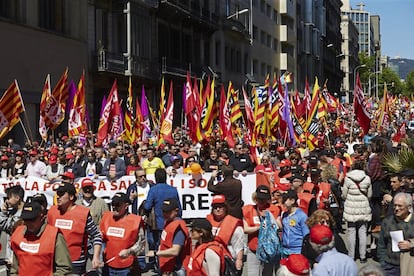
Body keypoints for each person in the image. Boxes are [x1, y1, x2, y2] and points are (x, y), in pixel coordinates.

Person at [47, 182, 103, 275]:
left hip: (75, 262)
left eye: (61, 194)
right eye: (57, 194)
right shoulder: (52, 211)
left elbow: (96, 235)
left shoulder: (83, 213)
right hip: (55, 261)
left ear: (71, 197)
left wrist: (96, 257)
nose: (58, 197)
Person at [10, 201, 72, 275]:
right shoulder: (18, 234)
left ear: (42, 217)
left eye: (32, 220)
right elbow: (15, 266)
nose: (29, 223)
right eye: (26, 220)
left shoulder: (54, 236)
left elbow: (64, 268)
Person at [100, 192, 145, 275]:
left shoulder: (135, 221)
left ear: (126, 206)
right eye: (112, 204)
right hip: (108, 264)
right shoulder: (106, 217)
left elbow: (141, 244)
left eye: (117, 205)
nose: (114, 207)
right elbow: (99, 237)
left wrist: (129, 251)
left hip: (127, 266)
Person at [146, 198, 191, 275]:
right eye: (164, 211)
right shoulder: (168, 222)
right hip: (167, 266)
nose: (165, 214)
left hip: (176, 269)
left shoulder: (178, 227)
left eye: (168, 212)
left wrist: (155, 253)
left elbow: (175, 251)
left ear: (176, 211)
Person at [243, 185, 281, 275]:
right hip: (254, 248)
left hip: (269, 249)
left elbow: (279, 226)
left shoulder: (274, 209)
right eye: (259, 199)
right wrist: (259, 227)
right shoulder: (248, 209)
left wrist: (270, 218)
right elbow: (246, 229)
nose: (261, 201)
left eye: (264, 199)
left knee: (268, 273)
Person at [143, 168, 181, 257]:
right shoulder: (173, 190)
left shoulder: (153, 190)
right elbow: (179, 208)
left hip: (158, 223)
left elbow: (147, 206)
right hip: (171, 223)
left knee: (158, 246)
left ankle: (158, 264)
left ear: (156, 178)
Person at [342, 160, 372, 263]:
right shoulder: (367, 178)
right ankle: (363, 256)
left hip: (351, 207)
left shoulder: (348, 178)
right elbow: (369, 195)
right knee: (363, 232)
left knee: (351, 232)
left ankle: (351, 255)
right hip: (363, 207)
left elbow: (344, 194)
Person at [377, 192, 414, 276]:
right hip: (390, 266)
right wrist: (383, 262)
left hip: (410, 266)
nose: (396, 208)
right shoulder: (387, 222)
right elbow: (381, 244)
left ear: (409, 207)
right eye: (395, 205)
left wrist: (411, 244)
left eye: (400, 206)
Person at [206, 194, 244, 272]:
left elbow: (239, 245)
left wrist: (239, 260)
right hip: (209, 259)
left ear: (226, 208)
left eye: (220, 207)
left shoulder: (233, 224)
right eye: (215, 207)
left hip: (227, 260)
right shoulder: (207, 222)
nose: (218, 209)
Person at [0, 185, 25, 268]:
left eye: (9, 198)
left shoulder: (25, 213)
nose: (7, 201)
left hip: (19, 258)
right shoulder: (12, 211)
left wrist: (3, 213)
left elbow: (7, 226)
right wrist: (4, 212)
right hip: (10, 256)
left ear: (17, 198)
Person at [279, 190, 309, 256]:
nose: (283, 203)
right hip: (285, 251)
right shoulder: (285, 215)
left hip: (298, 251)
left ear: (292, 201)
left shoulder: (301, 216)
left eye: (285, 201)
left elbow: (306, 235)